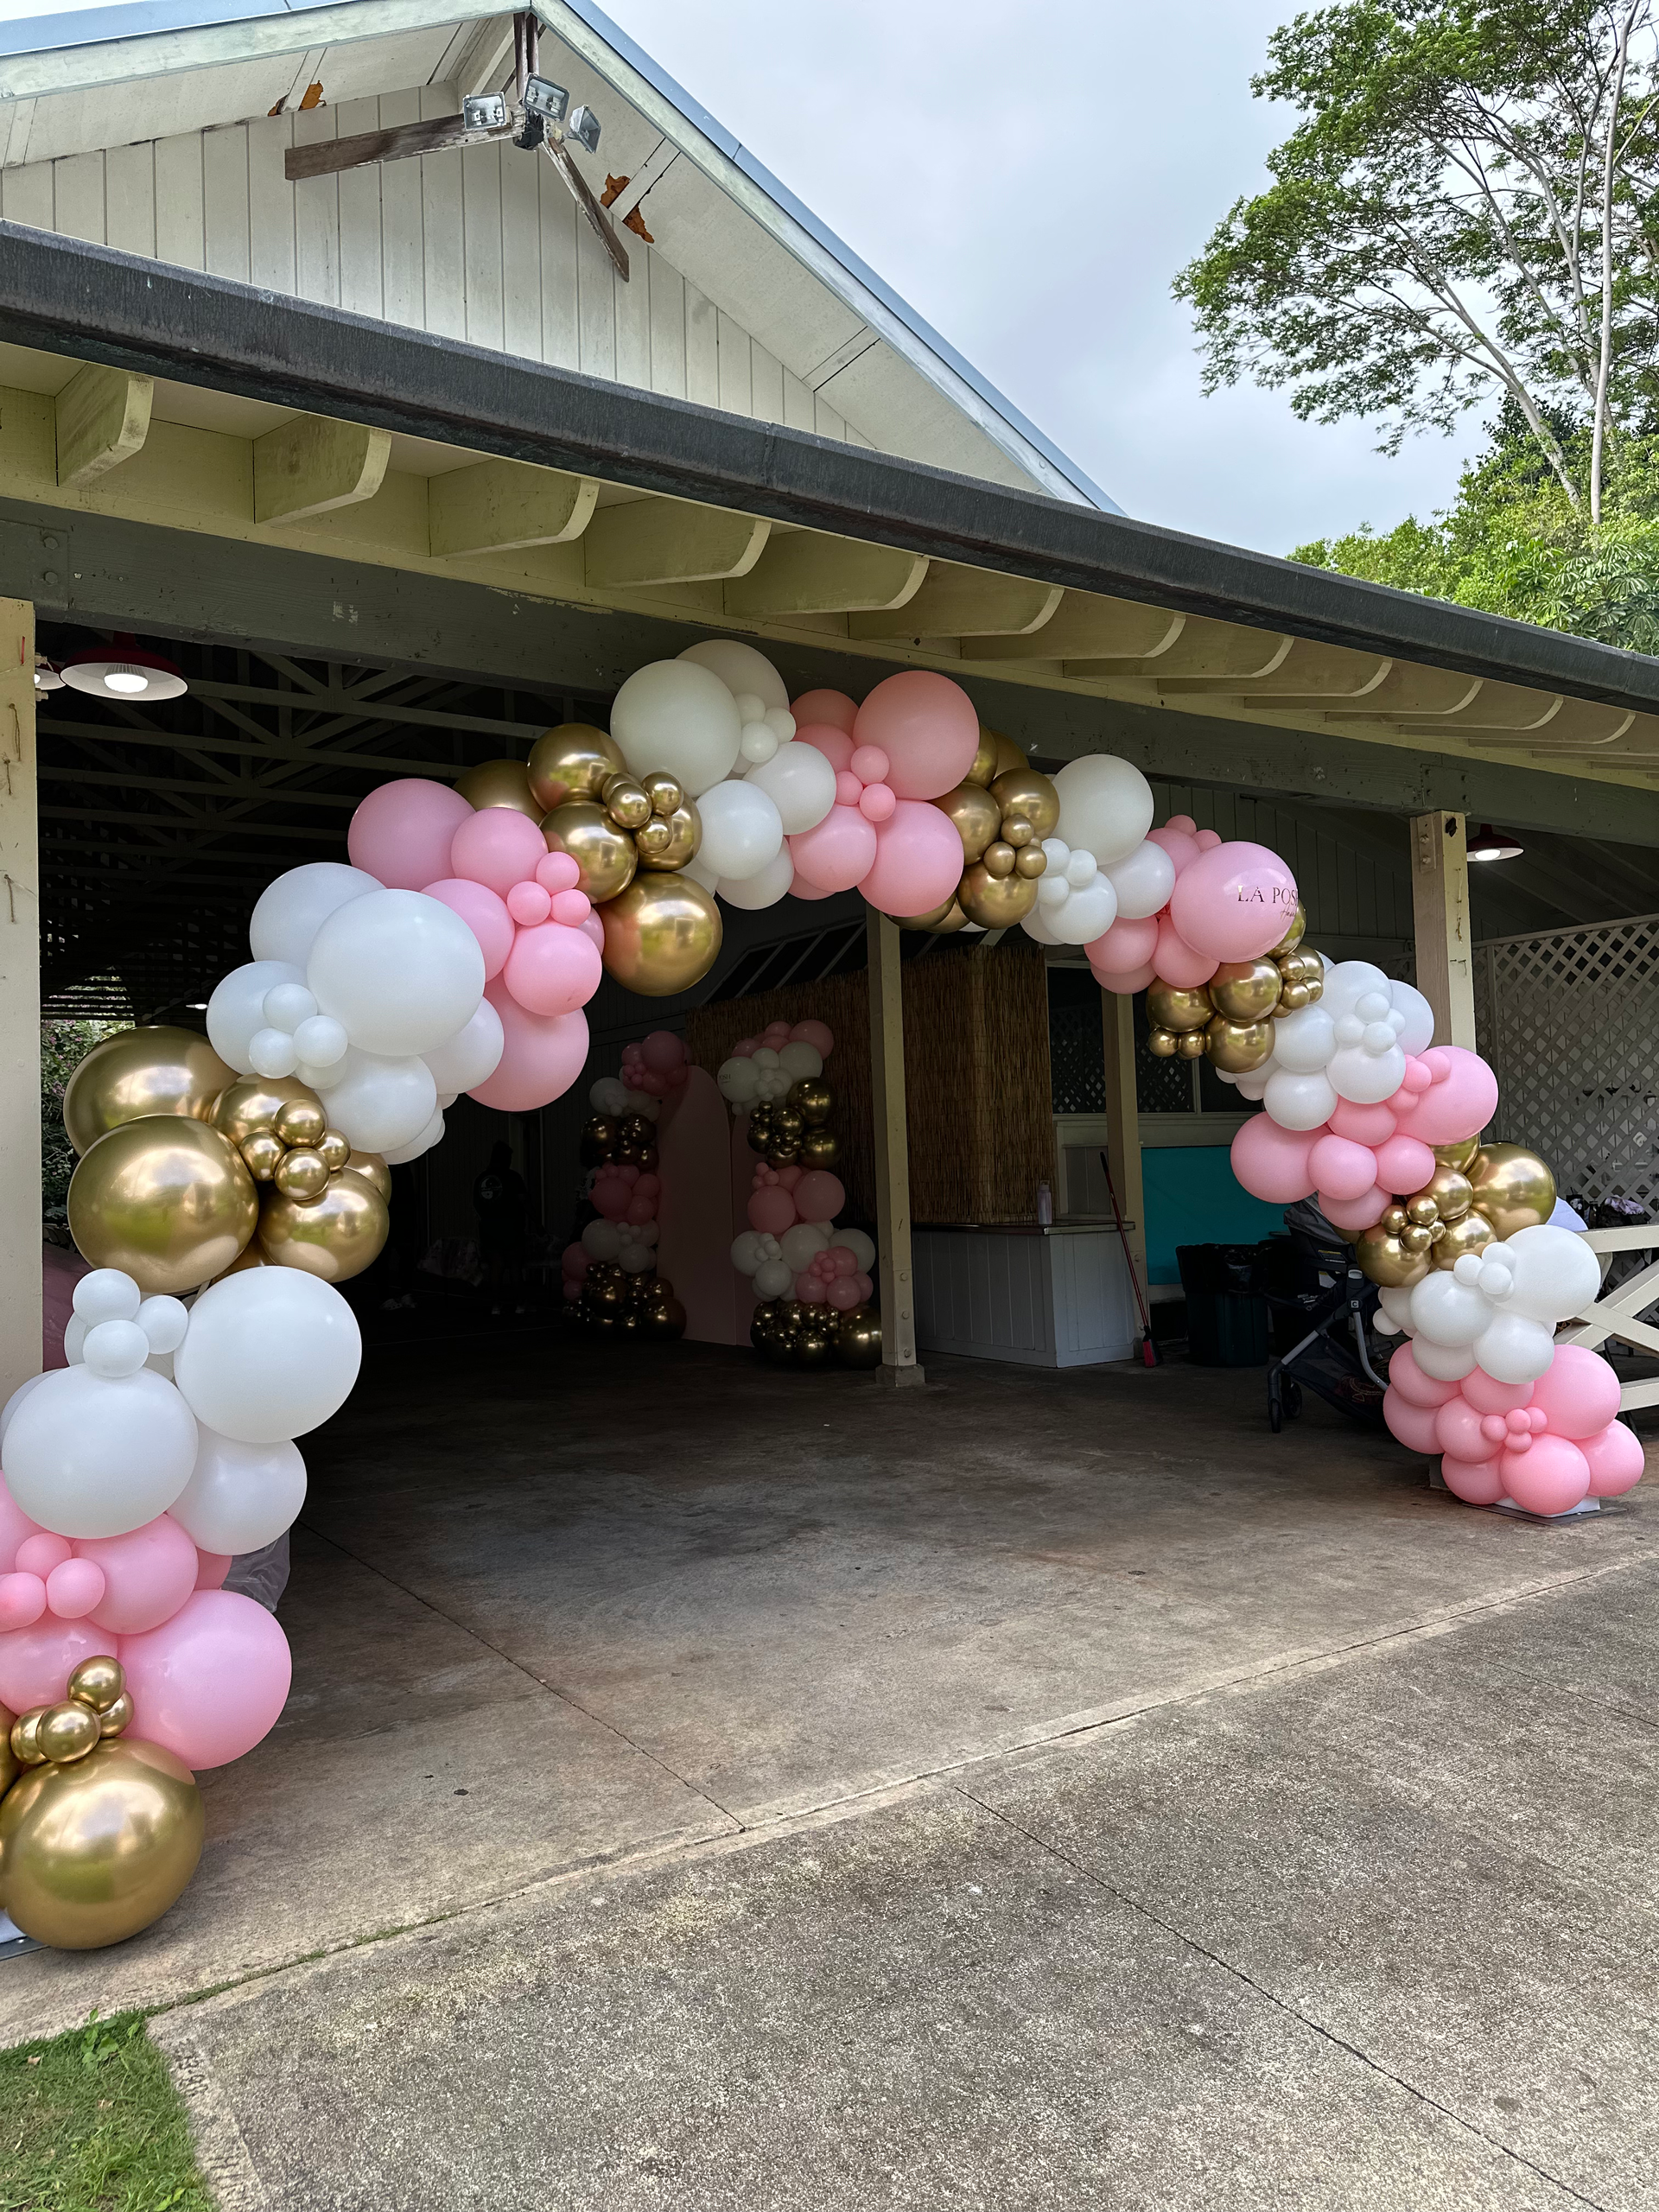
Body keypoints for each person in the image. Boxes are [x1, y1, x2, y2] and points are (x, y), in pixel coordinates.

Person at [474, 1140, 531, 1318]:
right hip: (511, 1227)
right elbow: (524, 1202)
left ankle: (495, 1305)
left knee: (496, 1267)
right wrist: (537, 1223)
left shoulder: (481, 1179)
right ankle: (520, 1304)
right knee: (515, 1266)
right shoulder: (513, 1177)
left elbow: (477, 1204)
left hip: (489, 1228)